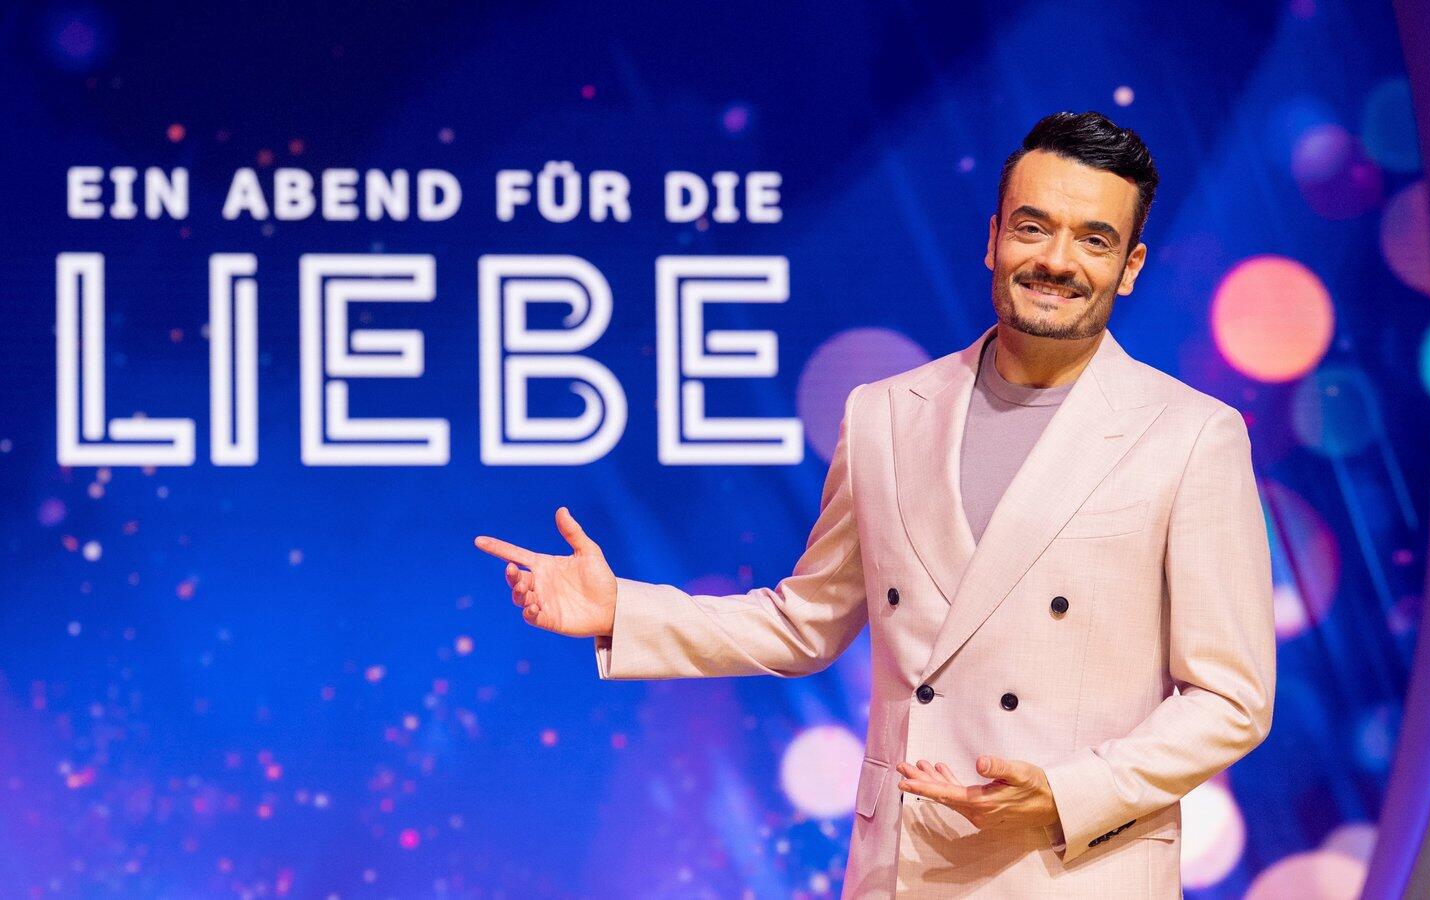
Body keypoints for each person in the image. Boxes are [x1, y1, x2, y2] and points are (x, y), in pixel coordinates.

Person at [475, 111, 1275, 897]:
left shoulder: (1188, 437)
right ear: (993, 237)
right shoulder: (885, 415)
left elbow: (1231, 699)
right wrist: (624, 610)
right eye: (1033, 228)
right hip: (907, 867)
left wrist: (1070, 795)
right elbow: (805, 622)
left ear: (1130, 265)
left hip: (1077, 872)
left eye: (1094, 240)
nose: (1057, 261)